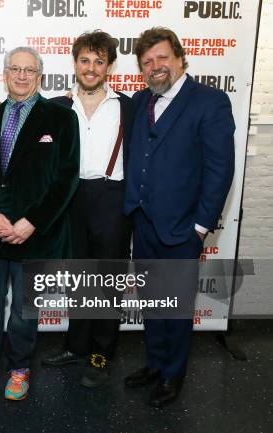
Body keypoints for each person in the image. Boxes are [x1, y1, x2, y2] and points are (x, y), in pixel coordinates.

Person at [0, 46, 80, 400]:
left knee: (26, 312)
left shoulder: (60, 117)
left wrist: (32, 223)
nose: (21, 76)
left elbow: (66, 178)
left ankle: (20, 367)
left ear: (39, 76)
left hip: (34, 237)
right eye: (15, 69)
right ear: (5, 73)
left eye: (29, 70)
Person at [123, 27, 235, 407]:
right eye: (147, 62)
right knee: (153, 303)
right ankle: (155, 364)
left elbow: (220, 169)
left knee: (175, 307)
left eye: (161, 58)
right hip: (144, 222)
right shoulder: (141, 101)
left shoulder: (210, 101)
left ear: (180, 58)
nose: (155, 67)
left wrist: (201, 226)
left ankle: (173, 374)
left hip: (183, 229)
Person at [41, 30, 134, 388]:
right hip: (72, 198)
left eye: (99, 61)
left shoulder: (128, 105)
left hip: (113, 197)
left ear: (109, 65)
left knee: (108, 282)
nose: (91, 68)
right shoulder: (57, 106)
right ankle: (76, 346)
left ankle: (100, 354)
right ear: (75, 63)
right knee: (79, 278)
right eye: (85, 60)